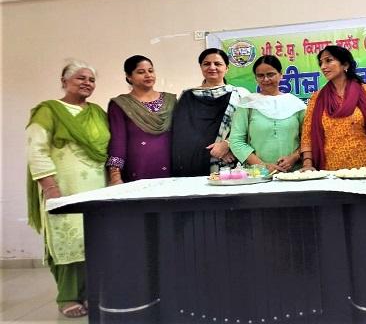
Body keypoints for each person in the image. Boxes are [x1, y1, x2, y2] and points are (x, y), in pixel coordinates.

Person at [25, 61, 109, 318]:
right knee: (68, 240)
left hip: (97, 188)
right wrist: (50, 188)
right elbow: (36, 150)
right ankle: (68, 296)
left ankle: (92, 292)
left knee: (93, 240)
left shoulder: (97, 112)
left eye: (91, 79)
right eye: (80, 78)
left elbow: (109, 149)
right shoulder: (49, 110)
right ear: (64, 81)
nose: (87, 83)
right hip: (63, 189)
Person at [300, 45, 366, 171]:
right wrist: (307, 164)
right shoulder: (317, 98)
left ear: (345, 65)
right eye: (321, 63)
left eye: (328, 60)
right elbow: (307, 135)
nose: (323, 67)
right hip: (330, 171)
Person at [171, 48, 250, 176]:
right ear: (201, 67)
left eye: (218, 64)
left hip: (229, 162)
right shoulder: (188, 96)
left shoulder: (240, 94)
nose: (212, 67)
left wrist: (227, 145)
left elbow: (249, 128)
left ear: (227, 68)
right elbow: (182, 132)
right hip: (192, 161)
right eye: (207, 64)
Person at [229, 55, 306, 173]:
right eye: (260, 75)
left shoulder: (296, 104)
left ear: (281, 75)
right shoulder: (247, 104)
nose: (265, 79)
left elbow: (308, 139)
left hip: (294, 174)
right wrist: (263, 166)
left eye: (270, 74)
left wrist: (293, 157)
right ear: (255, 78)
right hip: (258, 175)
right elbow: (236, 141)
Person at [106, 55, 176, 184]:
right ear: (129, 76)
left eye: (150, 70)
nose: (148, 75)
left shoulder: (171, 101)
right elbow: (118, 141)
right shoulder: (121, 104)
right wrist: (115, 175)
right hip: (137, 168)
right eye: (141, 72)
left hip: (171, 168)